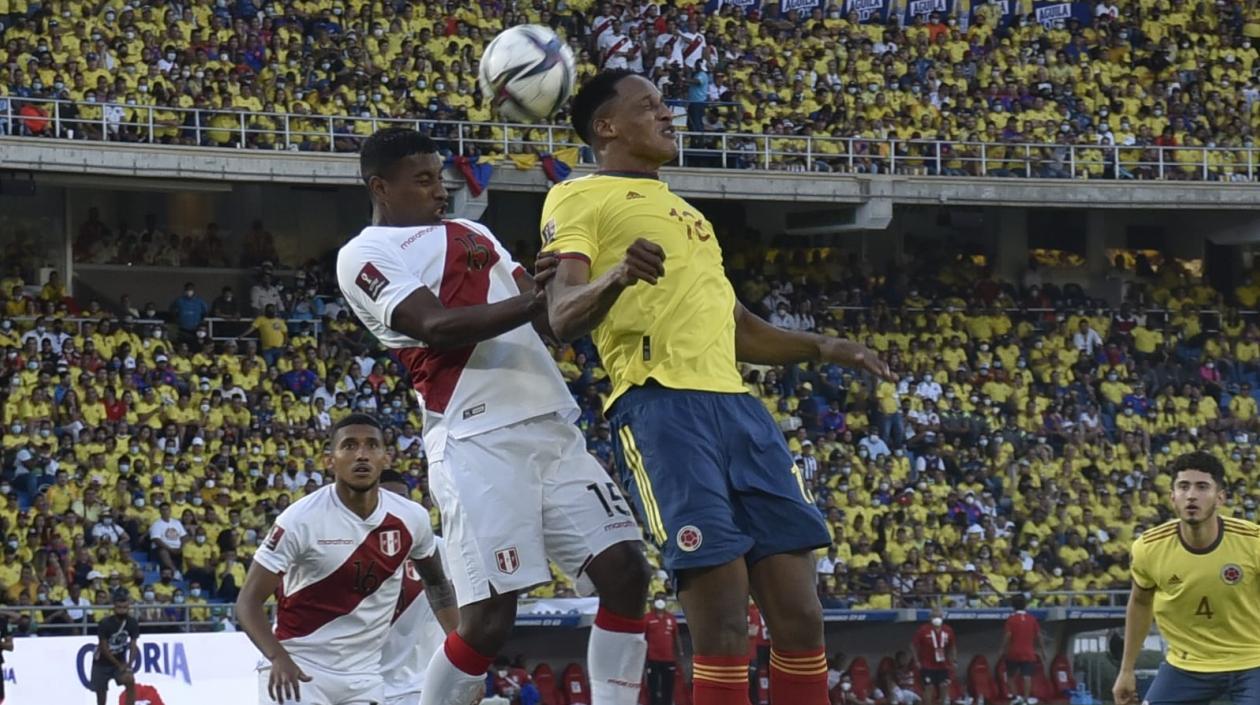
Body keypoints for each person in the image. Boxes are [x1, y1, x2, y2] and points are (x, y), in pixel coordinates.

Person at [541, 69, 894, 705]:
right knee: (725, 626)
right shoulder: (578, 197)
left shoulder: (687, 212)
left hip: (739, 410)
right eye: (649, 106)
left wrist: (823, 347)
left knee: (801, 618)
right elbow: (563, 315)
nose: (668, 114)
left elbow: (734, 326)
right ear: (607, 126)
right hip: (662, 409)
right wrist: (618, 275)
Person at [336, 128, 650, 705]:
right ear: (381, 187)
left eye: (441, 176)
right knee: (488, 619)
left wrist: (612, 279)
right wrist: (536, 298)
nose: (440, 189)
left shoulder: (473, 232)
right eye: (424, 179)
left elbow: (551, 321)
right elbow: (435, 326)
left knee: (628, 574)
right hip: (475, 438)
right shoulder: (363, 255)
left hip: (552, 426)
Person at [235, 414, 458, 705]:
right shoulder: (300, 520)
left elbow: (438, 584)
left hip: (363, 677)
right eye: (349, 446)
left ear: (385, 458)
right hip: (299, 668)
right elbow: (247, 602)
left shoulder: (411, 518)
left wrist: (461, 657)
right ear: (331, 460)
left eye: (371, 446)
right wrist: (277, 656)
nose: (361, 454)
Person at [1113, 451, 1260, 705]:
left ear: (1220, 497)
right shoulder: (1149, 548)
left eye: (1202, 487)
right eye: (1183, 487)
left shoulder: (1253, 541)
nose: (1191, 495)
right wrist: (1126, 671)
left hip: (1253, 661)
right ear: (1173, 497)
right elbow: (1140, 603)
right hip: (1185, 667)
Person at [379, 469, 451, 705]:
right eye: (388, 499)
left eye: (403, 498)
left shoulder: (443, 550)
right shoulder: (346, 553)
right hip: (366, 687)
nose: (397, 506)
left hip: (425, 687)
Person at [92, 592, 141, 705]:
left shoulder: (132, 622)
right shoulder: (105, 623)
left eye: (125, 607)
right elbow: (103, 648)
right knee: (101, 694)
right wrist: (119, 665)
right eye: (119, 607)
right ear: (114, 607)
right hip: (101, 662)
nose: (122, 610)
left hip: (120, 659)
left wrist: (129, 665)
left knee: (130, 680)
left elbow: (133, 645)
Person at [1001, 594, 1046, 705]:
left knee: (1010, 676)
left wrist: (1002, 649)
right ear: (1025, 605)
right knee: (1027, 676)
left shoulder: (1011, 619)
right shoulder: (1032, 619)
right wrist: (1043, 650)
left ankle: (1016, 697)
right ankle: (1025, 700)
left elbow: (1008, 635)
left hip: (1013, 652)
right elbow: (1039, 636)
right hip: (1029, 653)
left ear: (1013, 606)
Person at [911, 607, 956, 705]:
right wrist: (917, 661)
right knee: (929, 687)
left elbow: (952, 646)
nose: (937, 618)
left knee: (944, 686)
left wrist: (954, 660)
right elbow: (913, 645)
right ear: (930, 618)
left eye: (939, 616)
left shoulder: (948, 630)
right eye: (934, 616)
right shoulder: (923, 630)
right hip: (927, 665)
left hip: (943, 664)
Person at [646, 593, 684, 705]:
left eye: (663, 599)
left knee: (668, 688)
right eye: (658, 599)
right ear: (654, 601)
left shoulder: (671, 618)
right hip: (652, 659)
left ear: (666, 601)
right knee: (653, 688)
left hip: (669, 659)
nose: (660, 601)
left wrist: (680, 654)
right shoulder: (647, 618)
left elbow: (676, 638)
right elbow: (642, 638)